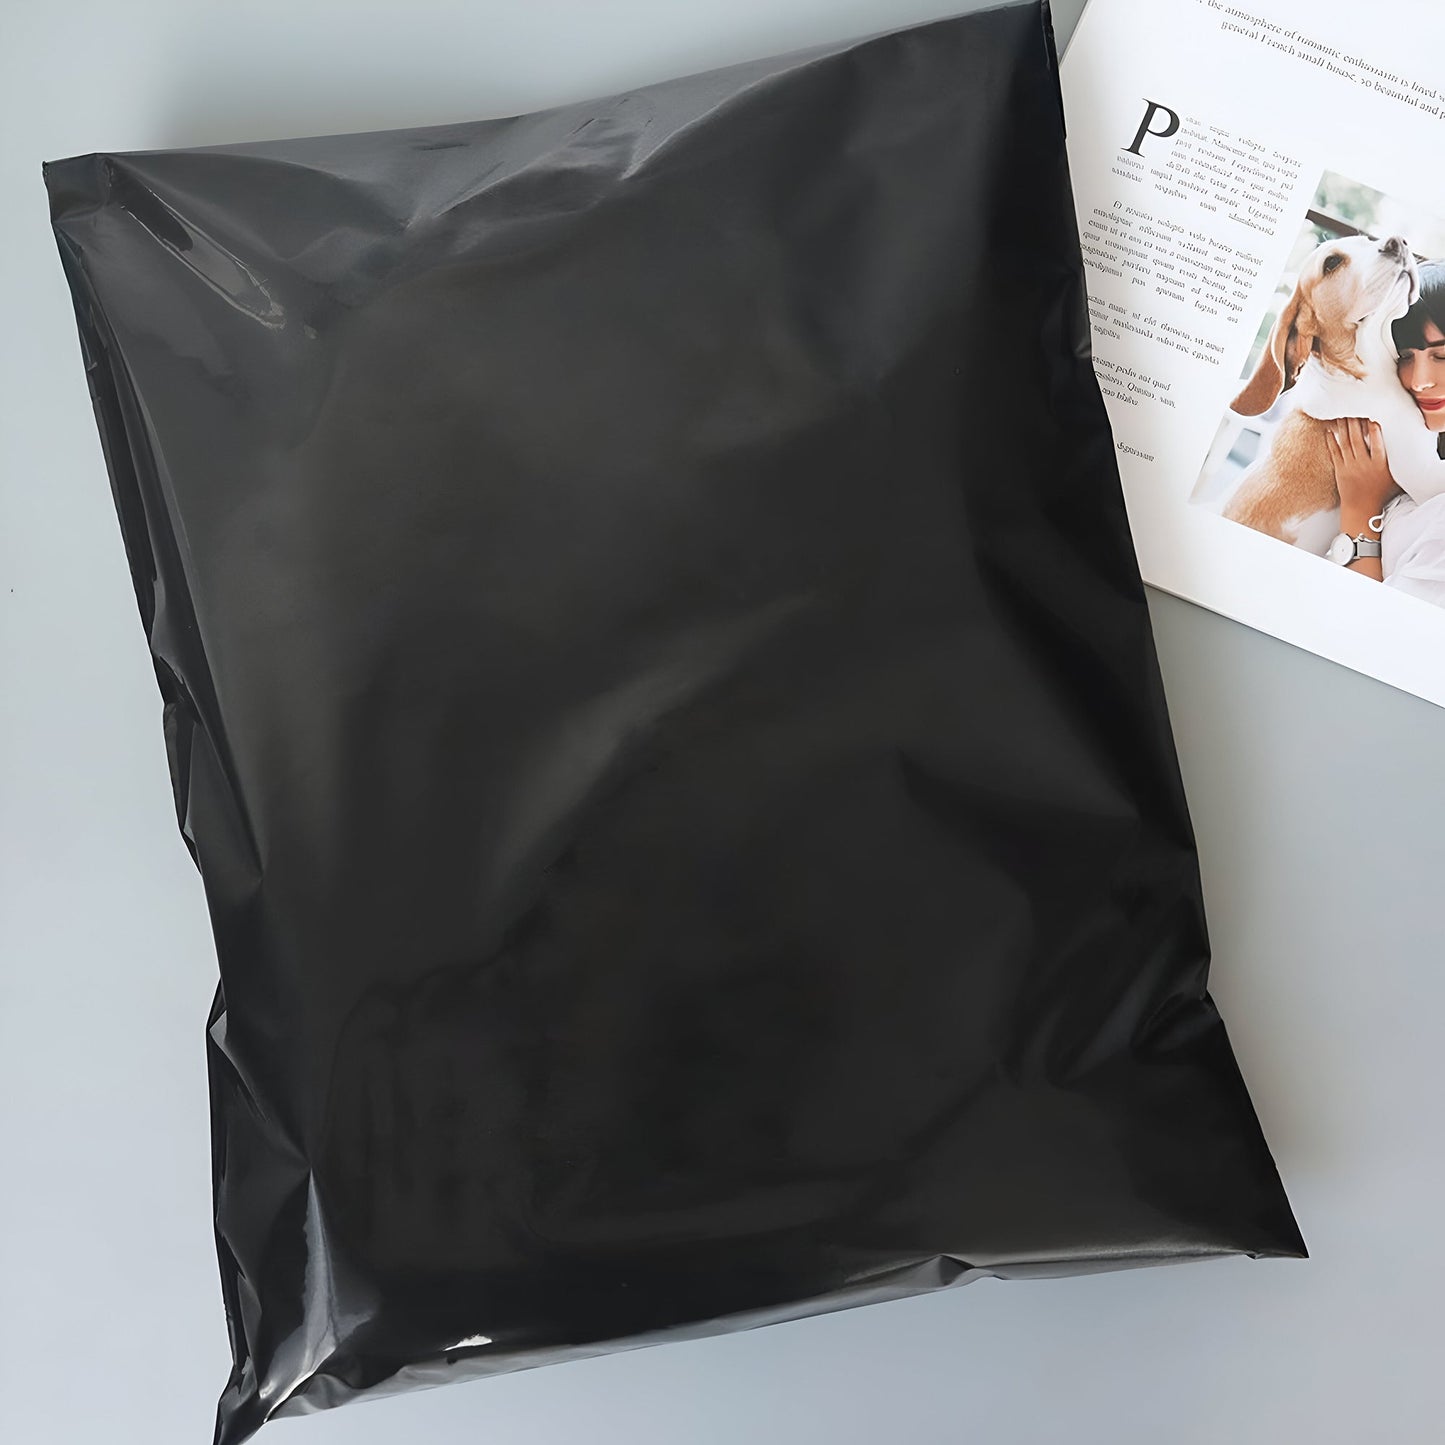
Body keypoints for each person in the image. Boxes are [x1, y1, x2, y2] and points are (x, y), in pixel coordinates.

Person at [1329, 260, 1445, 602]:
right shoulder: (1413, 448)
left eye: (1442, 356)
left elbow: (1374, 624)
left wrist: (1360, 508)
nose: (1419, 381)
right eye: (1405, 356)